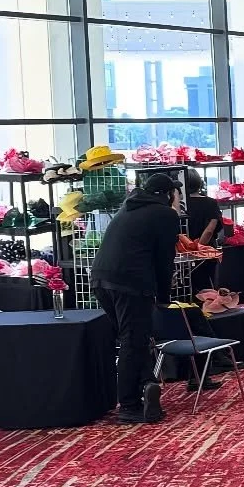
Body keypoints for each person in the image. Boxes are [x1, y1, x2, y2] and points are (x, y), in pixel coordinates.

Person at [93, 170, 182, 424]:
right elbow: (165, 260)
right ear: (169, 194)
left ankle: (147, 383)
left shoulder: (129, 206)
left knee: (133, 338)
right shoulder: (165, 214)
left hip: (101, 278)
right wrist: (164, 296)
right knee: (133, 340)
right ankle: (129, 405)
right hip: (131, 282)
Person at [183, 169, 223, 247]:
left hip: (184, 248)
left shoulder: (180, 204)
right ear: (199, 183)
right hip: (207, 249)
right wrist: (199, 247)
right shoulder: (211, 203)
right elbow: (209, 231)